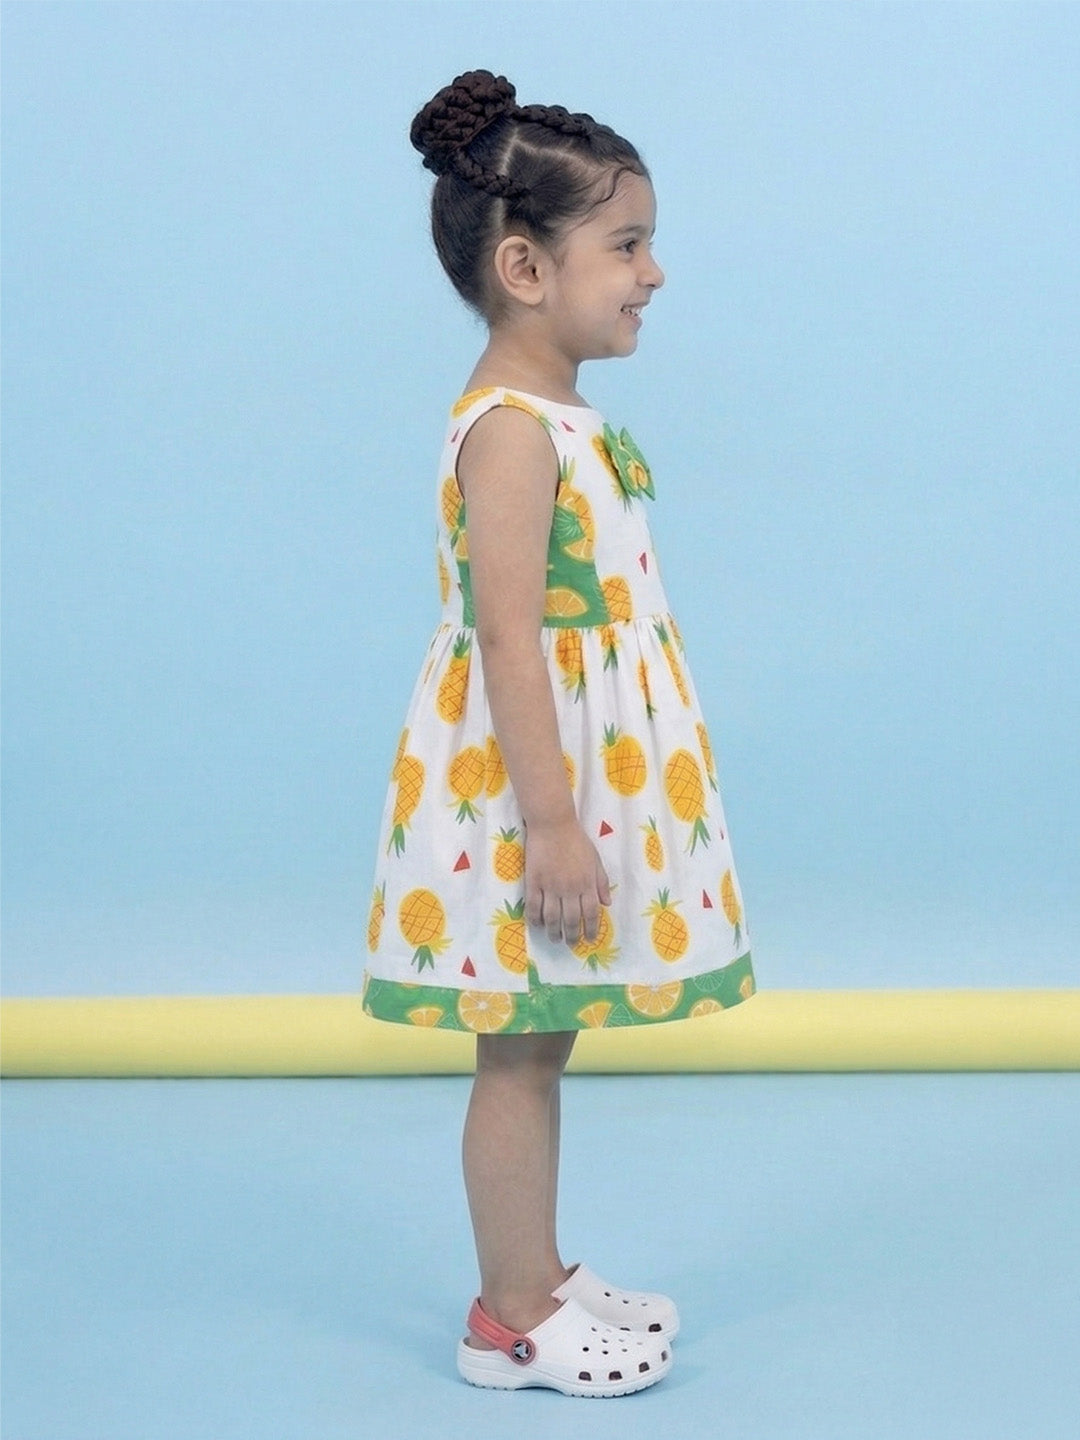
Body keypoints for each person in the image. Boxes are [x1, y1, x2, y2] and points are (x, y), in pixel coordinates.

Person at [362, 69, 756, 1398]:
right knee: (518, 1056)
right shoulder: (512, 436)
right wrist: (550, 823)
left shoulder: (562, 420)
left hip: (568, 779)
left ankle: (535, 1271)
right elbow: (508, 636)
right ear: (525, 268)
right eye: (627, 245)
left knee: (540, 1044)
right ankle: (511, 1318)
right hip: (523, 796)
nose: (654, 274)